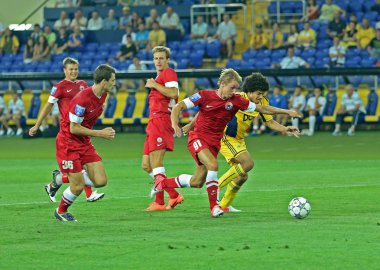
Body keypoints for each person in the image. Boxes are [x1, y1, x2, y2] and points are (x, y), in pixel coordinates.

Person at [150, 69, 301, 217]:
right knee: (216, 165)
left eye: (236, 88)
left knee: (197, 181)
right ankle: (215, 206)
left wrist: (287, 113)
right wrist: (176, 124)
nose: (234, 91)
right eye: (232, 87)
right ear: (222, 84)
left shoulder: (237, 101)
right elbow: (179, 106)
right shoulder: (205, 95)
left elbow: (262, 108)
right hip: (199, 138)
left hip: (215, 143)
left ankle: (162, 184)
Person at [210, 73, 300, 212]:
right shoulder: (238, 98)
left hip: (239, 140)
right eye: (258, 93)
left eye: (263, 94)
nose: (260, 97)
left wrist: (284, 128)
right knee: (248, 163)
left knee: (242, 176)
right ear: (249, 91)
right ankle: (215, 186)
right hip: (226, 137)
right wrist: (288, 112)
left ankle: (223, 205)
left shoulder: (262, 101)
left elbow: (269, 122)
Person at [29, 57, 104, 203]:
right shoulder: (59, 87)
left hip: (81, 129)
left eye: (76, 69)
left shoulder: (83, 84)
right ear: (65, 70)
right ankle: (70, 187)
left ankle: (57, 182)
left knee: (84, 166)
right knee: (80, 168)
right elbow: (48, 106)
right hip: (69, 132)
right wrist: (37, 124)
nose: (74, 71)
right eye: (71, 69)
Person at [53, 64, 116, 222]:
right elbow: (74, 128)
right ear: (103, 81)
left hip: (84, 142)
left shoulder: (103, 95)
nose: (114, 83)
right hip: (68, 143)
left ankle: (62, 177)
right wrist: (100, 133)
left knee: (101, 181)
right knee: (78, 187)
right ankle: (61, 211)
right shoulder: (82, 99)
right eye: (113, 80)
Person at [142, 46, 183, 211]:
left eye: (161, 58)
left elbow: (173, 93)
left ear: (167, 60)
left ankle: (159, 202)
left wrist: (154, 84)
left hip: (161, 119)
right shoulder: (160, 76)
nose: (158, 61)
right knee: (147, 165)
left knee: (156, 162)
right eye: (156, 58)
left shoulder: (169, 73)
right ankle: (173, 195)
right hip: (153, 121)